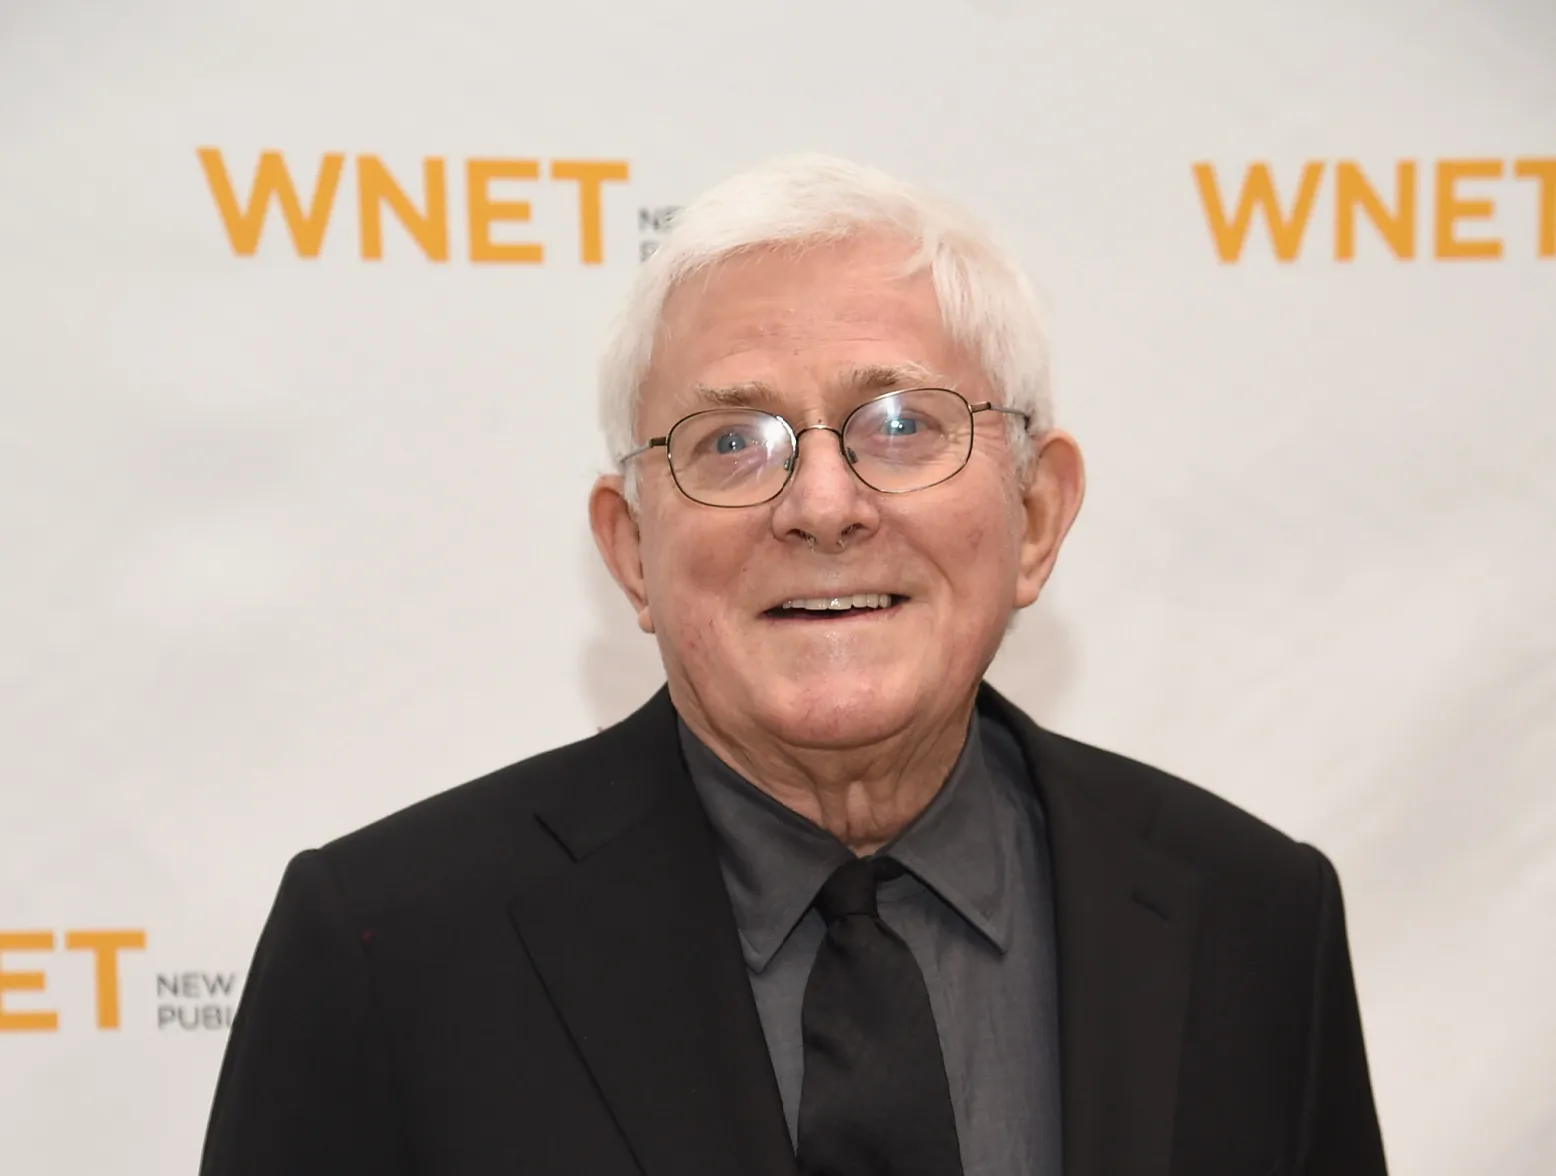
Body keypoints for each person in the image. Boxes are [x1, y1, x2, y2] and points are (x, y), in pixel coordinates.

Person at [199, 154, 1388, 1176]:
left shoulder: (1251, 919)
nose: (822, 505)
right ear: (631, 552)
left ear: (1034, 515)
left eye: (901, 425)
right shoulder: (385, 948)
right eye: (730, 442)